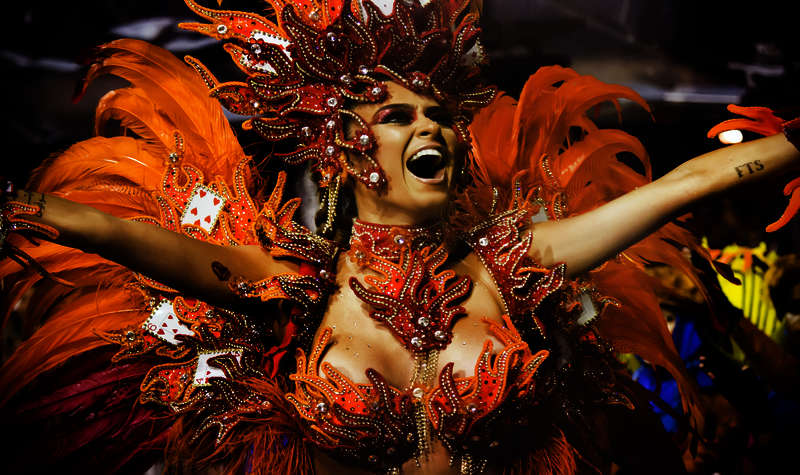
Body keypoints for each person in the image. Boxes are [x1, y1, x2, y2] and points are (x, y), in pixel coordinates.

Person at [1, 1, 798, 474]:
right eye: (400, 116)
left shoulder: (513, 268)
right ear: (350, 151)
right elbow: (115, 230)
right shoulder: (295, 286)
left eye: (441, 115)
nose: (436, 129)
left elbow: (685, 184)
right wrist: (26, 210)